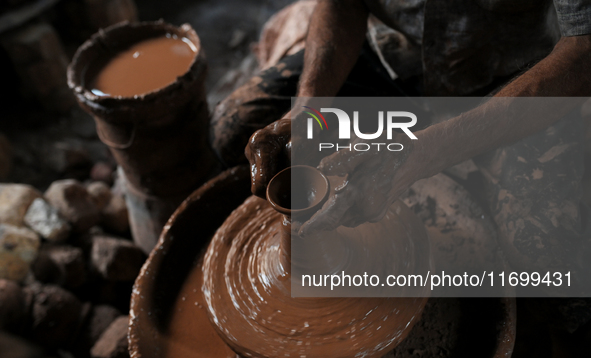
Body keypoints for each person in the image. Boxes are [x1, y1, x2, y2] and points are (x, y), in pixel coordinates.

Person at [211, 0, 591, 327]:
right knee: (237, 127)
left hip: (514, 82)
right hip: (396, 56)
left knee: (551, 256)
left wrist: (422, 153)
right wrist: (311, 111)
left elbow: (584, 49)